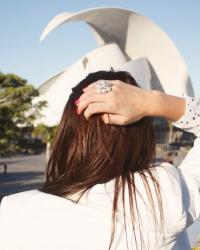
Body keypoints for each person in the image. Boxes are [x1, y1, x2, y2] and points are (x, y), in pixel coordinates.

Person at [0, 70, 199, 250]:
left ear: (68, 133)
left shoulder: (12, 212)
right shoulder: (162, 196)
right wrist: (153, 101)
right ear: (142, 134)